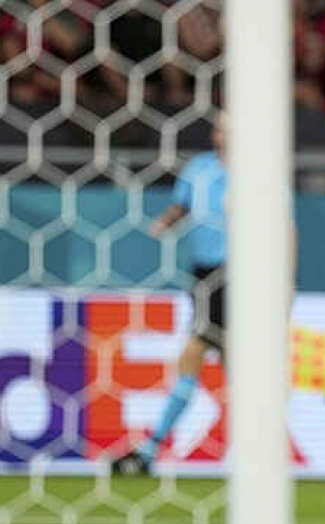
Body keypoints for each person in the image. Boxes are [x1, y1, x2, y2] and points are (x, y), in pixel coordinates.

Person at [113, 113, 232, 476]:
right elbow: (183, 206)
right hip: (203, 272)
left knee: (194, 351)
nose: (219, 134)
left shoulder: (258, 170)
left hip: (237, 272)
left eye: (227, 128)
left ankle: (148, 451)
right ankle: (263, 448)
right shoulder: (199, 167)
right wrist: (167, 221)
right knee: (234, 366)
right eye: (219, 127)